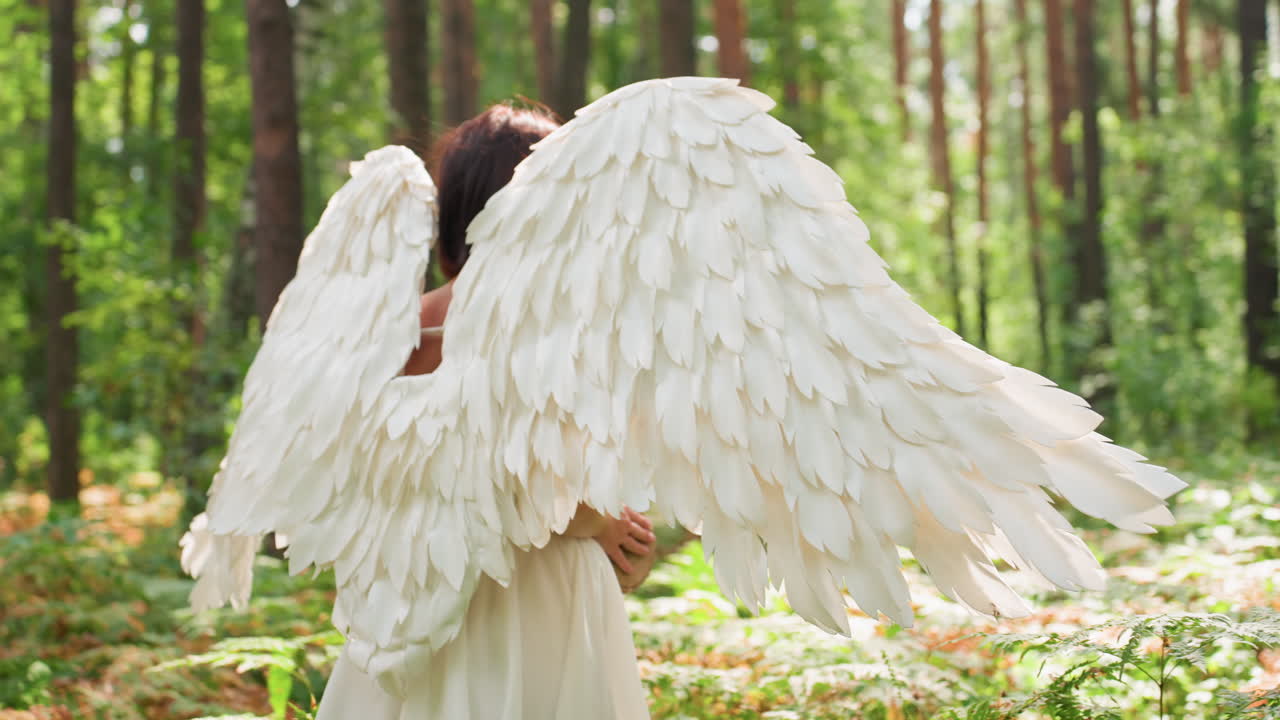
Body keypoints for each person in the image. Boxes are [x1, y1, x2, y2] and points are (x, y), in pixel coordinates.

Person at [315, 104, 655, 720]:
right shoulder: (548, 328)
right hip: (532, 600)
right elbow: (540, 494)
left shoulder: (394, 329)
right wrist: (611, 529)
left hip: (413, 594)